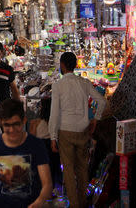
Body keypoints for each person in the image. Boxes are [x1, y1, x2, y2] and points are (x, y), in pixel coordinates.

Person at [49, 52, 107, 208]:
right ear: (75, 65)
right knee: (82, 168)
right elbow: (101, 101)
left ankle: (74, 205)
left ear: (62, 65)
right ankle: (83, 203)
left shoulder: (58, 85)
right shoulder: (84, 82)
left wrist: (53, 137)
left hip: (65, 131)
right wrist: (95, 118)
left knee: (68, 170)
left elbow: (54, 113)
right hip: (83, 131)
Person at [0, 99, 52, 208]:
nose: (12, 130)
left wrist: (39, 202)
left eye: (16, 124)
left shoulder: (36, 145)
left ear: (24, 121)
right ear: (0, 122)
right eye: (7, 125)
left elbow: (47, 183)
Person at [28, 98, 62, 189]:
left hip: (40, 148)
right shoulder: (57, 123)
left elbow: (32, 139)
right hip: (53, 148)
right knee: (52, 170)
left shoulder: (35, 122)